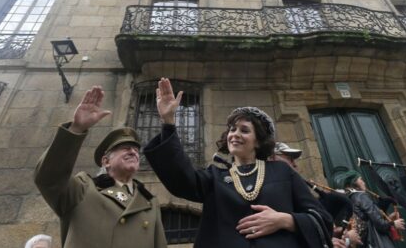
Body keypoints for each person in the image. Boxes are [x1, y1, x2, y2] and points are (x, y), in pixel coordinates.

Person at [144, 78, 332, 248]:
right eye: (232, 129)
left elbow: (322, 219)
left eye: (244, 130)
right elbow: (182, 178)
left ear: (258, 141)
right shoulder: (214, 176)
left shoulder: (282, 171)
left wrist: (285, 220)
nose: (235, 134)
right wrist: (168, 123)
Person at [34, 86, 167, 248]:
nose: (132, 151)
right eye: (124, 147)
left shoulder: (150, 202)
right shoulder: (83, 188)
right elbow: (48, 178)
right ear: (106, 161)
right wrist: (77, 129)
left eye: (135, 149)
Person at [270, 142, 359, 248]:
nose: (295, 164)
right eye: (290, 159)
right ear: (272, 158)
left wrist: (335, 236)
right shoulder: (272, 192)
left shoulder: (294, 190)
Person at [340, 170, 406, 248]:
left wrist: (389, 218)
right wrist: (394, 224)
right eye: (361, 179)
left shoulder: (351, 199)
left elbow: (369, 220)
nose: (364, 182)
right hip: (377, 242)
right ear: (354, 182)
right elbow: (379, 224)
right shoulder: (361, 196)